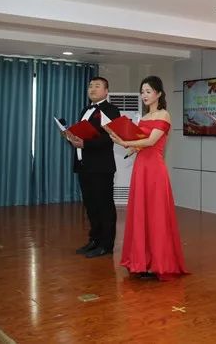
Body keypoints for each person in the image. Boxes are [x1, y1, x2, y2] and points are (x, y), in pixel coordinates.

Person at [108, 76, 187, 280]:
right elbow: (140, 144)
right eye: (142, 91)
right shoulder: (143, 118)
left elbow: (151, 141)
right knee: (141, 215)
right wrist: (124, 141)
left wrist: (126, 143)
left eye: (148, 91)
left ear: (158, 93)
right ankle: (141, 262)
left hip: (154, 170)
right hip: (141, 167)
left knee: (156, 215)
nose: (144, 95)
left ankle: (158, 263)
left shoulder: (164, 114)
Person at [66, 76, 121, 258]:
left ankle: (107, 244)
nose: (92, 89)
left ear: (106, 91)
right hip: (84, 165)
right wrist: (72, 138)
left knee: (104, 206)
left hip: (101, 167)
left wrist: (86, 144)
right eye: (90, 86)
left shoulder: (111, 110)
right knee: (90, 206)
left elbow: (109, 138)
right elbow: (83, 134)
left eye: (97, 86)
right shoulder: (85, 109)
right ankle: (94, 240)